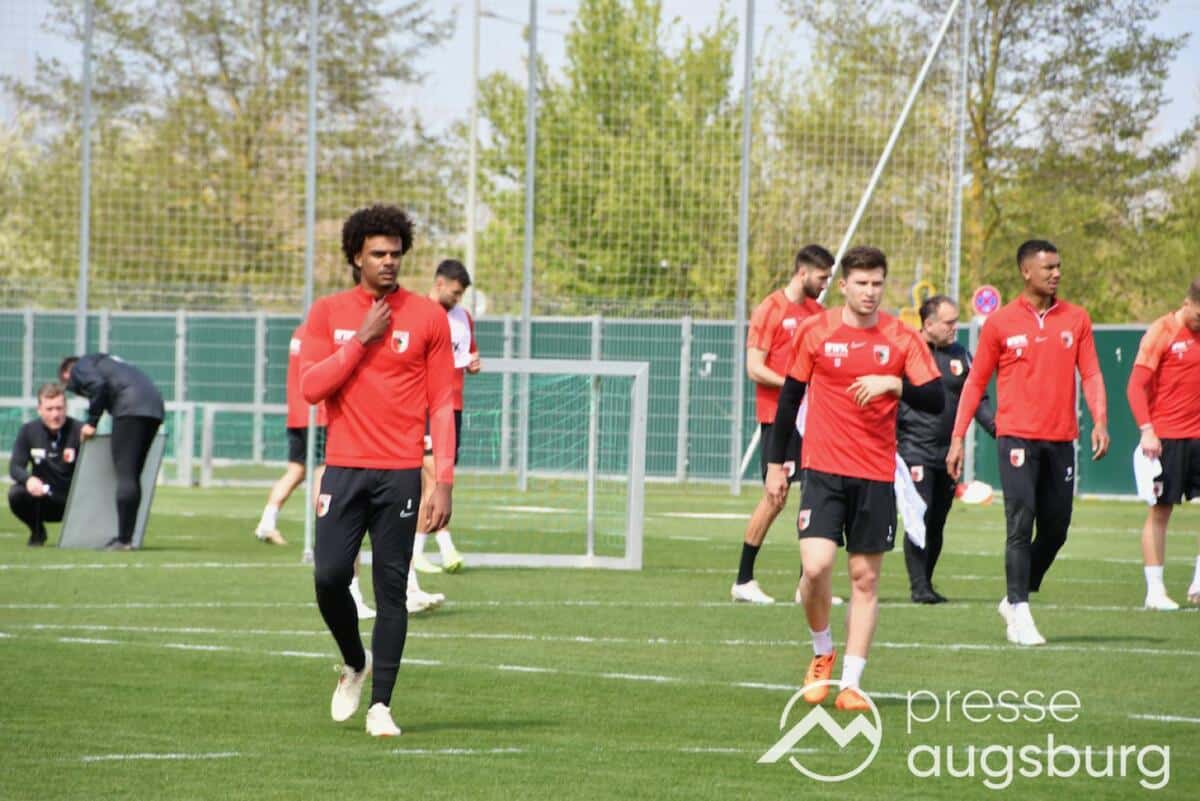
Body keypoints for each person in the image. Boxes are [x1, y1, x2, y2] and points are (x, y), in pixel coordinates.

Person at [300, 204, 456, 737]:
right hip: (344, 470)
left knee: (392, 591)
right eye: (378, 254)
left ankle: (381, 706)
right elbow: (311, 387)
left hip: (401, 474)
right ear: (355, 257)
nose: (389, 261)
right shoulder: (328, 313)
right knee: (328, 577)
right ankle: (353, 660)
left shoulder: (428, 316)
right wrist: (360, 339)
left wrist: (444, 481)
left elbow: (442, 403)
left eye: (395, 253)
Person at [765, 246, 943, 710]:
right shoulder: (816, 331)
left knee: (864, 579)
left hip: (875, 473)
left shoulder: (902, 337)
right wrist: (775, 464)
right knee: (816, 567)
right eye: (861, 283)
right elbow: (789, 399)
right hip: (823, 469)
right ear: (843, 285)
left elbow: (935, 399)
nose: (870, 291)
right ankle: (822, 649)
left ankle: (852, 683)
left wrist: (894, 384)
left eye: (877, 283)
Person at [947, 239, 1110, 646]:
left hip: (1061, 440)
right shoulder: (1000, 323)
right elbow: (975, 383)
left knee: (1056, 529)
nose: (1056, 273)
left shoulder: (1077, 318)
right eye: (1048, 267)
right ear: (1026, 271)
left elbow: (1091, 373)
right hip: (1016, 437)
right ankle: (1020, 610)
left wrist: (1100, 420)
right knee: (1020, 523)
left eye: (1058, 266)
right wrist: (957, 437)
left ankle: (1012, 597)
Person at [731, 244, 833, 605]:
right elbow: (754, 368)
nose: (825, 284)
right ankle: (743, 579)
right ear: (802, 273)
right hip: (780, 418)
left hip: (814, 418)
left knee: (817, 495)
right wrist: (794, 386)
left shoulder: (818, 314)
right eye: (821, 277)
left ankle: (808, 585)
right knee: (776, 497)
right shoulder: (770, 309)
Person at [897, 296, 996, 604]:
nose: (955, 327)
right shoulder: (906, 350)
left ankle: (926, 581)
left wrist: (997, 429)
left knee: (938, 519)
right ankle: (919, 587)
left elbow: (976, 397)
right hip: (913, 449)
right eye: (949, 322)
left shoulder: (960, 354)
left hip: (948, 453)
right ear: (928, 324)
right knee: (920, 514)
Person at [1126, 277, 1200, 609]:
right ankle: (1155, 591)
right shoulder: (1163, 330)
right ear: (1188, 303)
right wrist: (1147, 430)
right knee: (1161, 510)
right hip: (1167, 438)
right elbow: (1135, 386)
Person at [412, 259, 481, 575]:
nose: (457, 299)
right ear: (439, 283)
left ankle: (423, 549)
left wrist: (473, 362)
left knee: (439, 479)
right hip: (425, 406)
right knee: (434, 476)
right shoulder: (417, 313)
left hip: (453, 407)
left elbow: (467, 354)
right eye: (454, 292)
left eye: (460, 294)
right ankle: (436, 547)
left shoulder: (463, 318)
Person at [59, 353, 165, 551]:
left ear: (68, 372)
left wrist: (91, 423)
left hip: (130, 407)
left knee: (126, 475)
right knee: (132, 475)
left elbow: (98, 386)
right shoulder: (109, 362)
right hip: (153, 407)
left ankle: (124, 540)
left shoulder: (81, 365)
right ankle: (127, 538)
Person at [254, 322, 329, 547]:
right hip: (317, 414)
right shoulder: (321, 333)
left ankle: (267, 522)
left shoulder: (300, 331)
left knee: (297, 470)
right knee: (322, 472)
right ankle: (326, 532)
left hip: (297, 413)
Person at [8, 383, 83, 546]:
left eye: (59, 408)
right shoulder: (28, 431)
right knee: (16, 494)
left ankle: (86, 534)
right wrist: (28, 480)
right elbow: (15, 467)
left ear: (66, 408)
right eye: (49, 409)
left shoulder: (79, 431)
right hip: (45, 499)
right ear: (39, 409)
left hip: (77, 502)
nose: (55, 414)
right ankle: (37, 532)